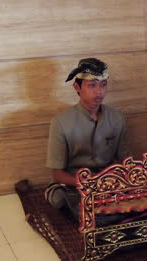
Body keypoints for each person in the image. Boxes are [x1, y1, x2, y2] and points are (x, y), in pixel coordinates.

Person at [45, 58, 131, 223]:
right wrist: (90, 185)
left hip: (108, 183)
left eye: (103, 85)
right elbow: (57, 174)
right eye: (92, 85)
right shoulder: (61, 121)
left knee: (138, 203)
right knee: (66, 201)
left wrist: (119, 182)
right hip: (76, 184)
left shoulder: (117, 117)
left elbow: (125, 161)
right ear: (77, 87)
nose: (99, 92)